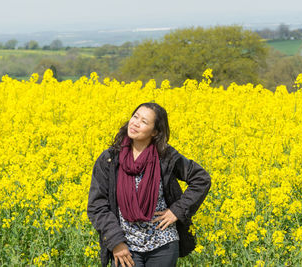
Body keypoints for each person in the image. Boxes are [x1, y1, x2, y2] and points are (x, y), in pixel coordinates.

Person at [87, 102, 211, 267]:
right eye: (135, 116)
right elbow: (97, 205)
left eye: (144, 122)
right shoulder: (109, 158)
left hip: (163, 243)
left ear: (155, 132)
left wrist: (177, 210)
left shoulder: (165, 156)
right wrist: (115, 242)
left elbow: (201, 179)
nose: (135, 123)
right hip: (125, 246)